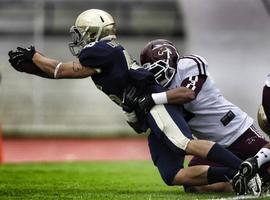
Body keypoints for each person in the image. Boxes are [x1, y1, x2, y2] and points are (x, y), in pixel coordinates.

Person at [7, 9, 248, 193]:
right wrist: (31, 68)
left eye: (81, 33)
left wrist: (35, 56)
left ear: (94, 32)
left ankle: (247, 170)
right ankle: (231, 174)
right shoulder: (103, 54)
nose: (78, 38)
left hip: (155, 104)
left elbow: (63, 69)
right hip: (144, 110)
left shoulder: (102, 50)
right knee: (172, 175)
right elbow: (64, 72)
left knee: (184, 143)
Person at [135, 39, 270, 194]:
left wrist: (152, 99)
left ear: (171, 60)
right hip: (212, 146)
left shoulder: (189, 64)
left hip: (237, 131)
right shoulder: (158, 88)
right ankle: (244, 184)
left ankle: (259, 176)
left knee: (266, 164)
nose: (156, 75)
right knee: (193, 184)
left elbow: (188, 93)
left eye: (157, 69)